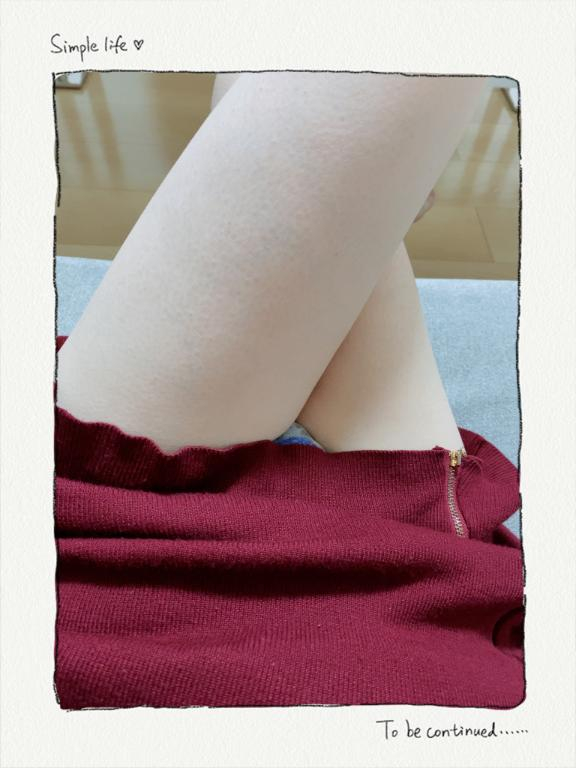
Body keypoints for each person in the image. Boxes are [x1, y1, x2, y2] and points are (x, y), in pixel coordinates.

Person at [54, 73, 524, 710]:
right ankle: (373, 209)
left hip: (101, 546)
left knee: (312, 82)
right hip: (432, 610)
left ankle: (373, 207)